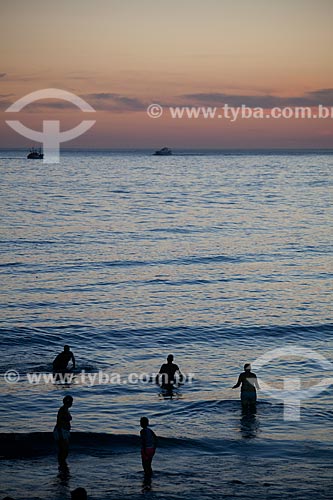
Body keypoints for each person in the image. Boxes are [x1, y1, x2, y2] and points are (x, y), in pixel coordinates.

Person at [53, 395, 73, 467]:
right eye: (71, 402)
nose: (72, 403)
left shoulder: (65, 409)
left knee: (64, 450)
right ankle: (62, 464)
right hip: (61, 431)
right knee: (63, 450)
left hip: (63, 431)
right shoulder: (62, 410)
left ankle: (62, 464)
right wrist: (60, 433)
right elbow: (59, 422)